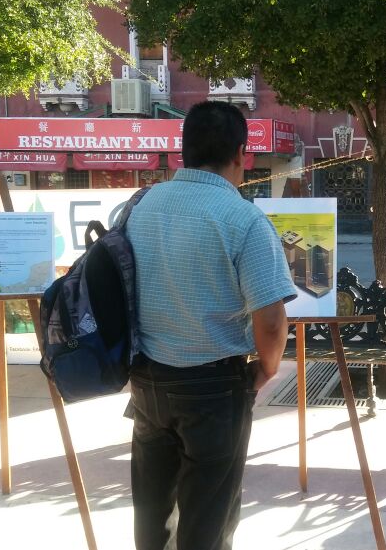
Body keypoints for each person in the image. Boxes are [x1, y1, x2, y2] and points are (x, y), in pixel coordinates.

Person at [125, 101, 296, 550]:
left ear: (183, 151)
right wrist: (267, 369)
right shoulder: (244, 219)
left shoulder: (141, 207)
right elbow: (272, 319)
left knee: (151, 514)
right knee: (208, 523)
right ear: (242, 154)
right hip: (213, 389)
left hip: (146, 382)